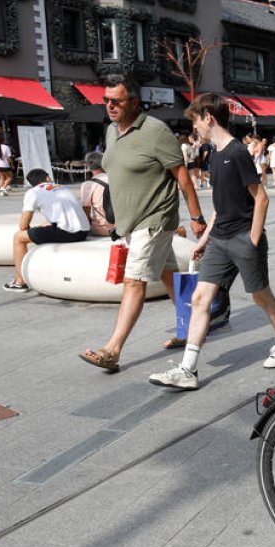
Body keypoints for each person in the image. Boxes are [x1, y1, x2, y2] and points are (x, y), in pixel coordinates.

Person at [148, 94, 275, 389]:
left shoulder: (237, 152)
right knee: (199, 299)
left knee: (260, 296)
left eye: (195, 120)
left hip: (243, 238)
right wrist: (205, 238)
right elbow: (219, 206)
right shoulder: (215, 154)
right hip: (219, 240)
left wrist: (253, 240)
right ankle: (188, 370)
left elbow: (261, 199)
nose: (194, 127)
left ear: (209, 117)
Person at [79, 77, 207, 371]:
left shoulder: (155, 131)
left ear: (134, 103)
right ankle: (193, 327)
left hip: (154, 219)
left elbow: (183, 177)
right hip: (130, 222)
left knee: (133, 281)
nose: (109, 106)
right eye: (106, 100)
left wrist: (196, 218)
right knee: (168, 273)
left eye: (116, 101)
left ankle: (112, 350)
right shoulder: (112, 131)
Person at [4, 168, 90, 292]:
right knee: (42, 228)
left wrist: (32, 233)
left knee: (18, 237)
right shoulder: (62, 187)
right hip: (84, 231)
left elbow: (23, 226)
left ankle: (20, 281)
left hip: (67, 233)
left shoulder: (33, 192)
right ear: (47, 178)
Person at [80, 151, 114, 237]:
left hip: (102, 230)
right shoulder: (115, 179)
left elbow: (86, 210)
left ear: (88, 166)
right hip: (121, 227)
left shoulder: (88, 185)